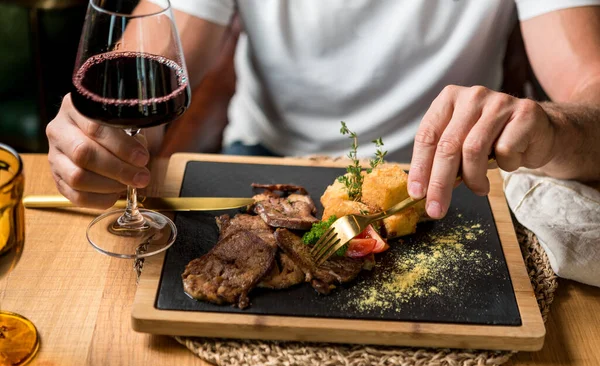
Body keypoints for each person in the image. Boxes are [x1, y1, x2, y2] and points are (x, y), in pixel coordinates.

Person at [46, 0, 600, 220]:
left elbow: (589, 88)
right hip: (257, 164)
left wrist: (552, 128)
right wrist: (96, 138)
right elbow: (152, 58)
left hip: (444, 180)